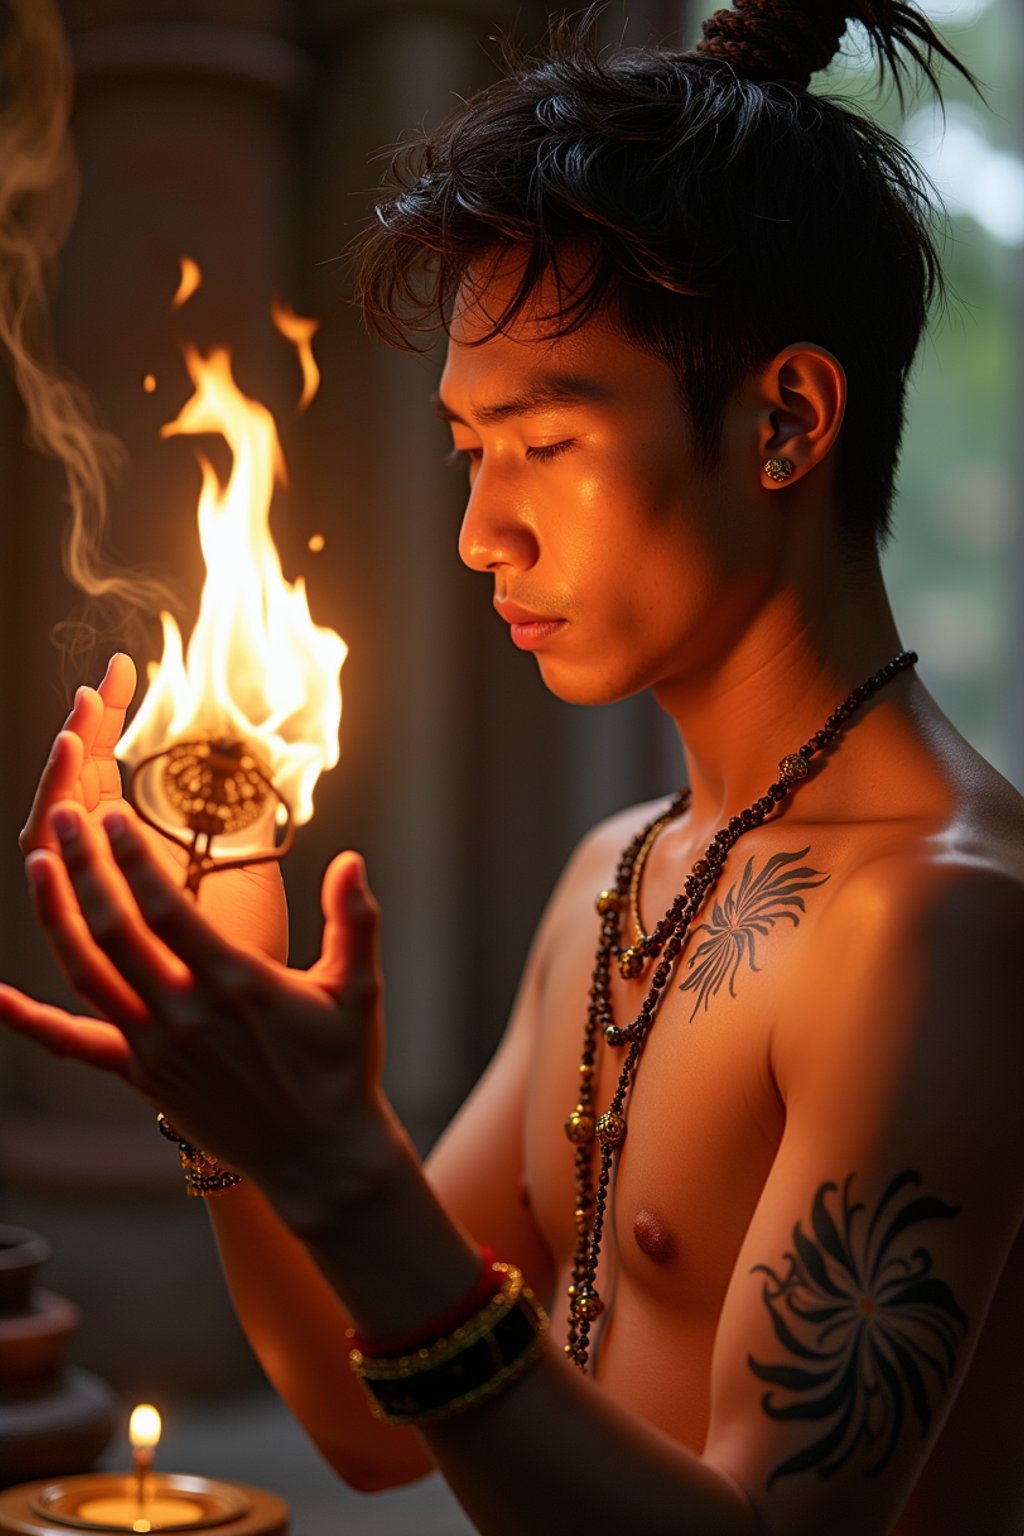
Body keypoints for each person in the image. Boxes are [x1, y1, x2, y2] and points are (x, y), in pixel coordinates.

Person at [2, 2, 1023, 1532]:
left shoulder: (941, 928)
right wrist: (229, 1092)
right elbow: (365, 1419)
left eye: (545, 441)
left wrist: (343, 1164)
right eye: (472, 452)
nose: (484, 535)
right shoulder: (618, 873)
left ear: (788, 420)